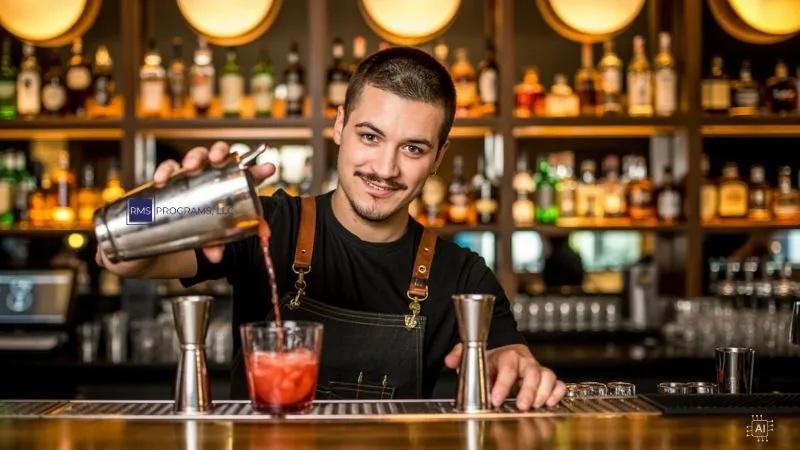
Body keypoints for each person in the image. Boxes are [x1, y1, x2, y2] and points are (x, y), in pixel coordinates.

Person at [97, 47, 565, 410]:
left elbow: (510, 357)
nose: (385, 168)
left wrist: (516, 368)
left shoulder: (462, 276)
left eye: (414, 149)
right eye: (370, 136)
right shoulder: (267, 225)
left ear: (438, 158)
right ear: (339, 126)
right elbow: (116, 252)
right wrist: (166, 204)